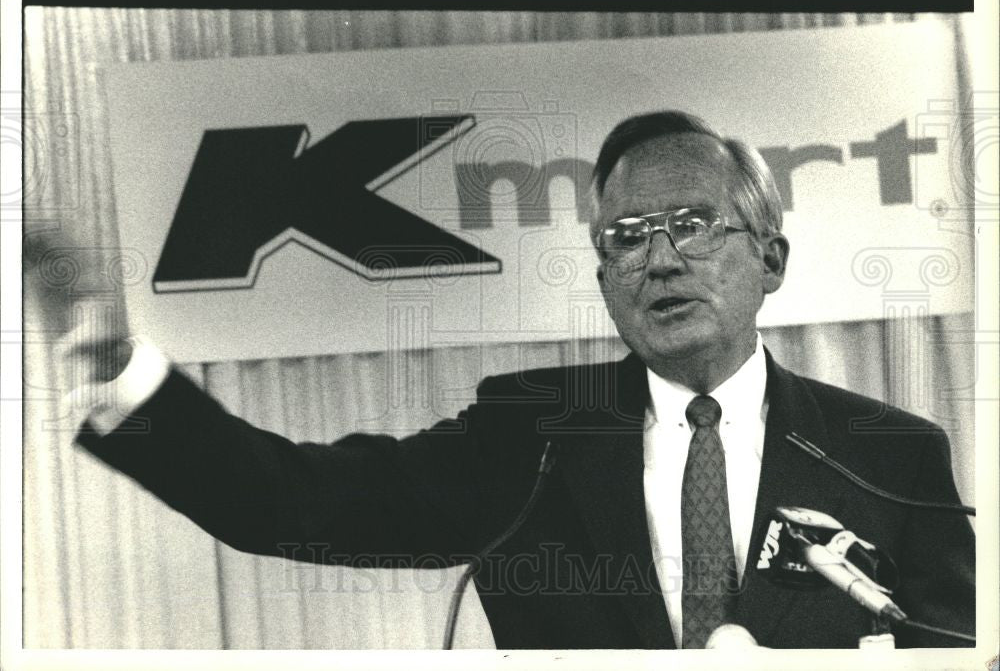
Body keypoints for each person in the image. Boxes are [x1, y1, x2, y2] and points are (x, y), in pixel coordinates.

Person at [50, 111, 974, 649]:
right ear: (602, 272)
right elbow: (292, 502)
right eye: (624, 238)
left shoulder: (887, 456)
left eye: (692, 225)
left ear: (770, 258)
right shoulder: (529, 434)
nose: (658, 259)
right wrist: (130, 383)